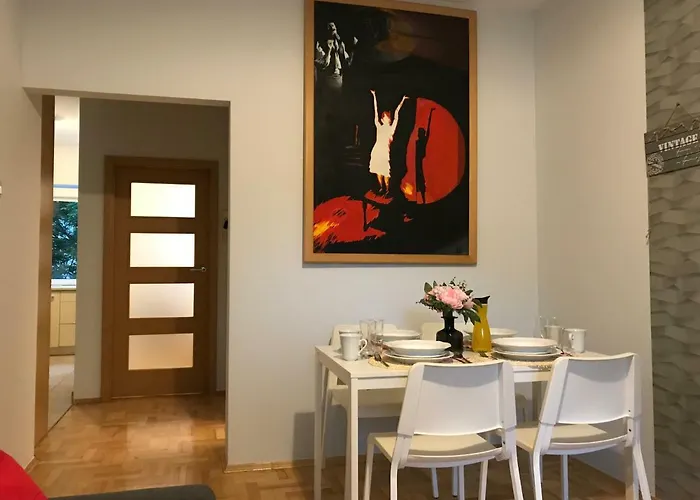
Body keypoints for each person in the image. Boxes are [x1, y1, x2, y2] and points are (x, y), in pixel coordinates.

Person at [369, 90, 408, 194]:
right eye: (386, 116)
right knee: (378, 170)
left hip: (385, 152)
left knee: (386, 172)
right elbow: (375, 111)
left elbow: (396, 114)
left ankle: (387, 189)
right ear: (382, 119)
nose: (388, 117)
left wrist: (402, 100)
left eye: (388, 116)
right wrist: (374, 96)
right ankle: (381, 187)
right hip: (377, 150)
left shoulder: (391, 128)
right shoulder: (379, 126)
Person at [414, 108, 435, 204]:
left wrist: (430, 113)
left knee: (421, 181)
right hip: (416, 162)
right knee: (418, 180)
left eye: (419, 132)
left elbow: (428, 127)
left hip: (421, 162)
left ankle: (423, 200)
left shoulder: (423, 140)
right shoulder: (417, 141)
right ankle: (420, 200)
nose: (418, 133)